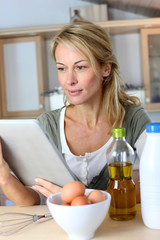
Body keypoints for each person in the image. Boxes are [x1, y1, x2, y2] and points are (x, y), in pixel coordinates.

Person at [0, 20, 151, 206]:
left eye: (80, 67)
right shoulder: (47, 125)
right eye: (62, 68)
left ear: (106, 68)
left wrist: (79, 198)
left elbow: (153, 185)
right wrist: (4, 175)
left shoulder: (134, 120)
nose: (69, 80)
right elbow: (32, 198)